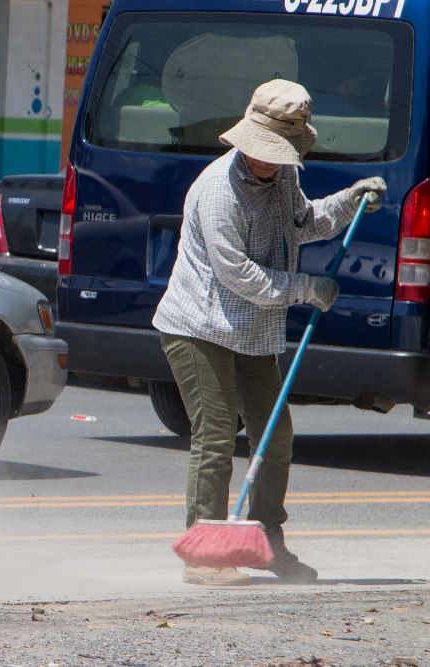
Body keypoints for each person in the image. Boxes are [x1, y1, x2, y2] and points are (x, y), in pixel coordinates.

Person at [152, 80, 386, 586]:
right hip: (200, 325)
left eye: (276, 153)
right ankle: (203, 555)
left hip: (251, 328)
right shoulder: (218, 191)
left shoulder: (283, 177)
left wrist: (351, 201)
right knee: (216, 435)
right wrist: (306, 288)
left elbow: (304, 221)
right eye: (261, 150)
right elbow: (238, 275)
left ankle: (266, 543)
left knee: (275, 437)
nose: (266, 161)